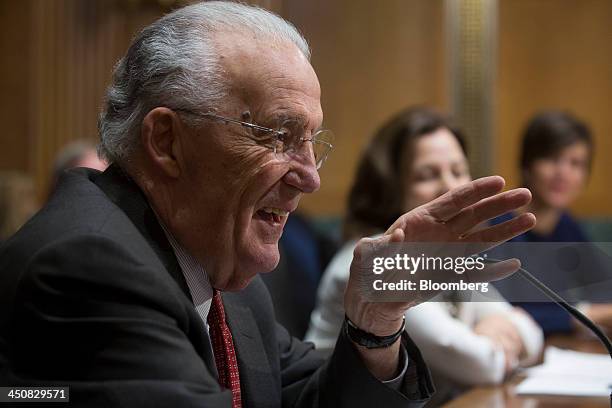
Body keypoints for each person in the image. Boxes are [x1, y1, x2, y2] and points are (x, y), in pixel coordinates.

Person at [0, 3, 536, 407]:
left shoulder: (222, 274)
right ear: (166, 141)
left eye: (312, 143)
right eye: (277, 137)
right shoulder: (88, 268)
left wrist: (374, 323)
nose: (309, 178)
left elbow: (311, 399)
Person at [306, 107, 543, 404]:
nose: (450, 185)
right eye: (427, 175)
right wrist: (496, 338)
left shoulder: (444, 257)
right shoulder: (368, 264)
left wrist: (500, 329)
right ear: (389, 188)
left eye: (458, 171)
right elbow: (480, 365)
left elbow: (532, 333)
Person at [492, 111, 612, 335]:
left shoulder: (566, 224)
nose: (563, 173)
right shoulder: (497, 228)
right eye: (552, 159)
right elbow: (504, 315)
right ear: (527, 164)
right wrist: (588, 316)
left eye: (576, 163)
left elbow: (605, 285)